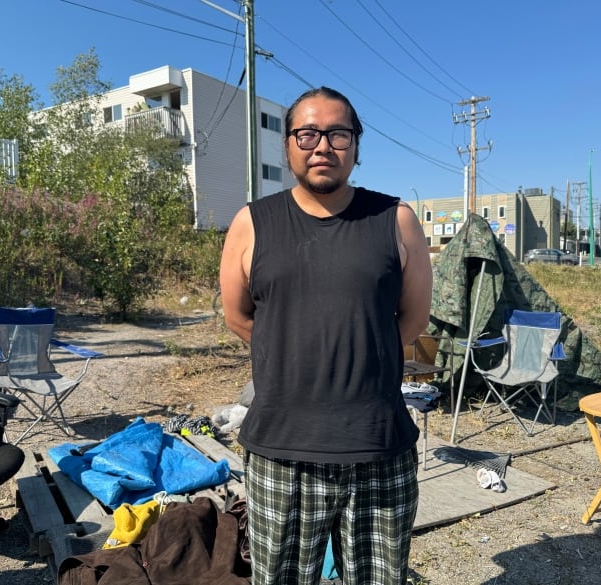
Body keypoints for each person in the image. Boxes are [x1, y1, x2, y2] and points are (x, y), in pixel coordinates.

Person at [219, 86, 433, 585]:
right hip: (281, 451)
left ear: (356, 145)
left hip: (378, 447)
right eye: (307, 133)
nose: (322, 146)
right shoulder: (252, 223)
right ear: (288, 144)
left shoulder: (395, 219)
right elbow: (239, 318)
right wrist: (294, 353)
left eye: (338, 133)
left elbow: (413, 320)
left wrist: (361, 351)